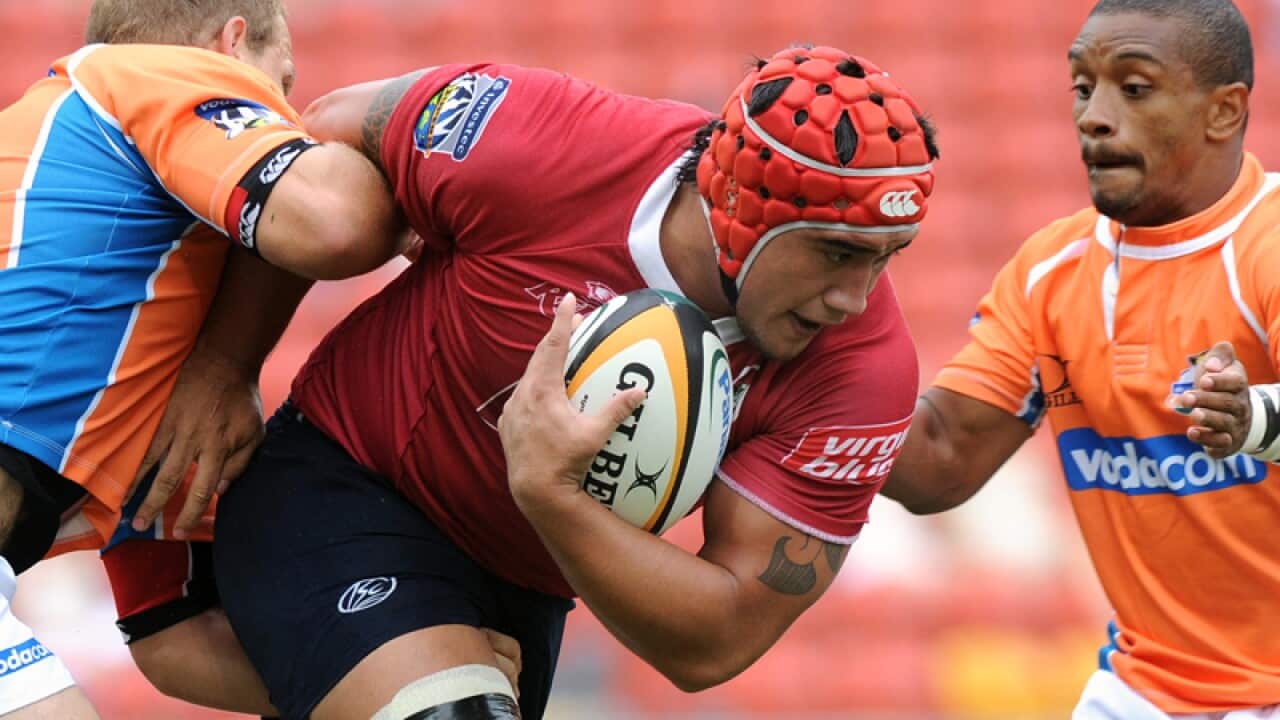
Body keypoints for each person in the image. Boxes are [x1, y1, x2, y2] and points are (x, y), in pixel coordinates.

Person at [212, 44, 940, 719]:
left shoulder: (863, 371)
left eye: (888, 257)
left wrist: (548, 491)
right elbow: (321, 133)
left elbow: (720, 641)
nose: (856, 297)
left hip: (522, 589)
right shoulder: (535, 138)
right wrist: (224, 363)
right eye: (836, 255)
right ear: (742, 208)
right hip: (341, 484)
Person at [0, 0, 408, 716]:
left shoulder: (118, 247)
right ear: (233, 44)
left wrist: (417, 688)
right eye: (279, 88)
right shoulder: (156, 75)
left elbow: (175, 635)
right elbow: (336, 221)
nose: (279, 115)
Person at [879, 1, 1280, 717]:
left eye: (1133, 87)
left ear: (1224, 112)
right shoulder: (1051, 272)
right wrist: (783, 364)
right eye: (1081, 87)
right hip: (1145, 689)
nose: (1094, 116)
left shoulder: (1268, 245)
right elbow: (939, 461)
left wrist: (1256, 419)